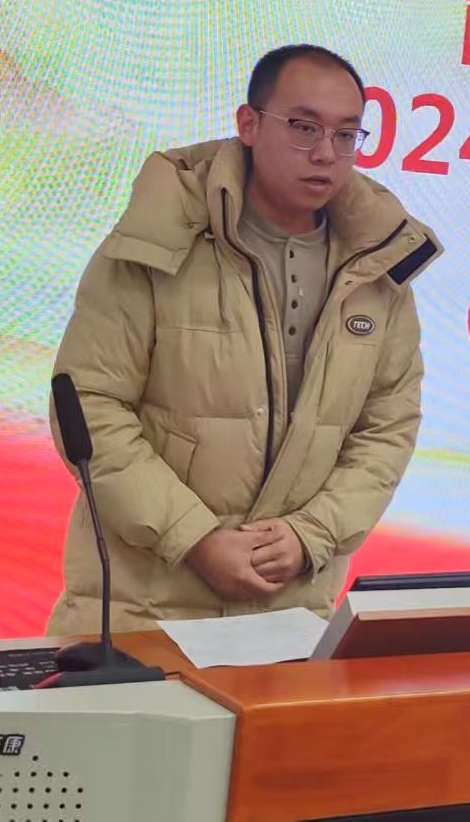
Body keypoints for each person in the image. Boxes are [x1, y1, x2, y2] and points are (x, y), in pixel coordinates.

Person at [45, 44, 441, 634]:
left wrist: (311, 535)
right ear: (249, 124)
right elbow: (89, 407)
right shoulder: (156, 240)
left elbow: (387, 429)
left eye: (346, 135)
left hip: (288, 613)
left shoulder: (377, 265)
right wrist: (194, 538)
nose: (325, 153)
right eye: (303, 127)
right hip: (141, 612)